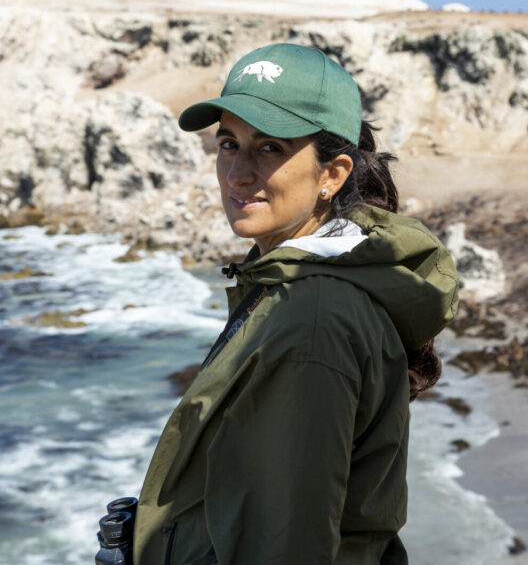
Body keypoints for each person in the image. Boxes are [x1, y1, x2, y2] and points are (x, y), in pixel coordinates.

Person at [132, 43, 459, 565]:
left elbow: (289, 547)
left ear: (332, 174)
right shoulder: (298, 283)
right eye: (228, 144)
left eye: (270, 149)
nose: (238, 173)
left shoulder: (310, 319)